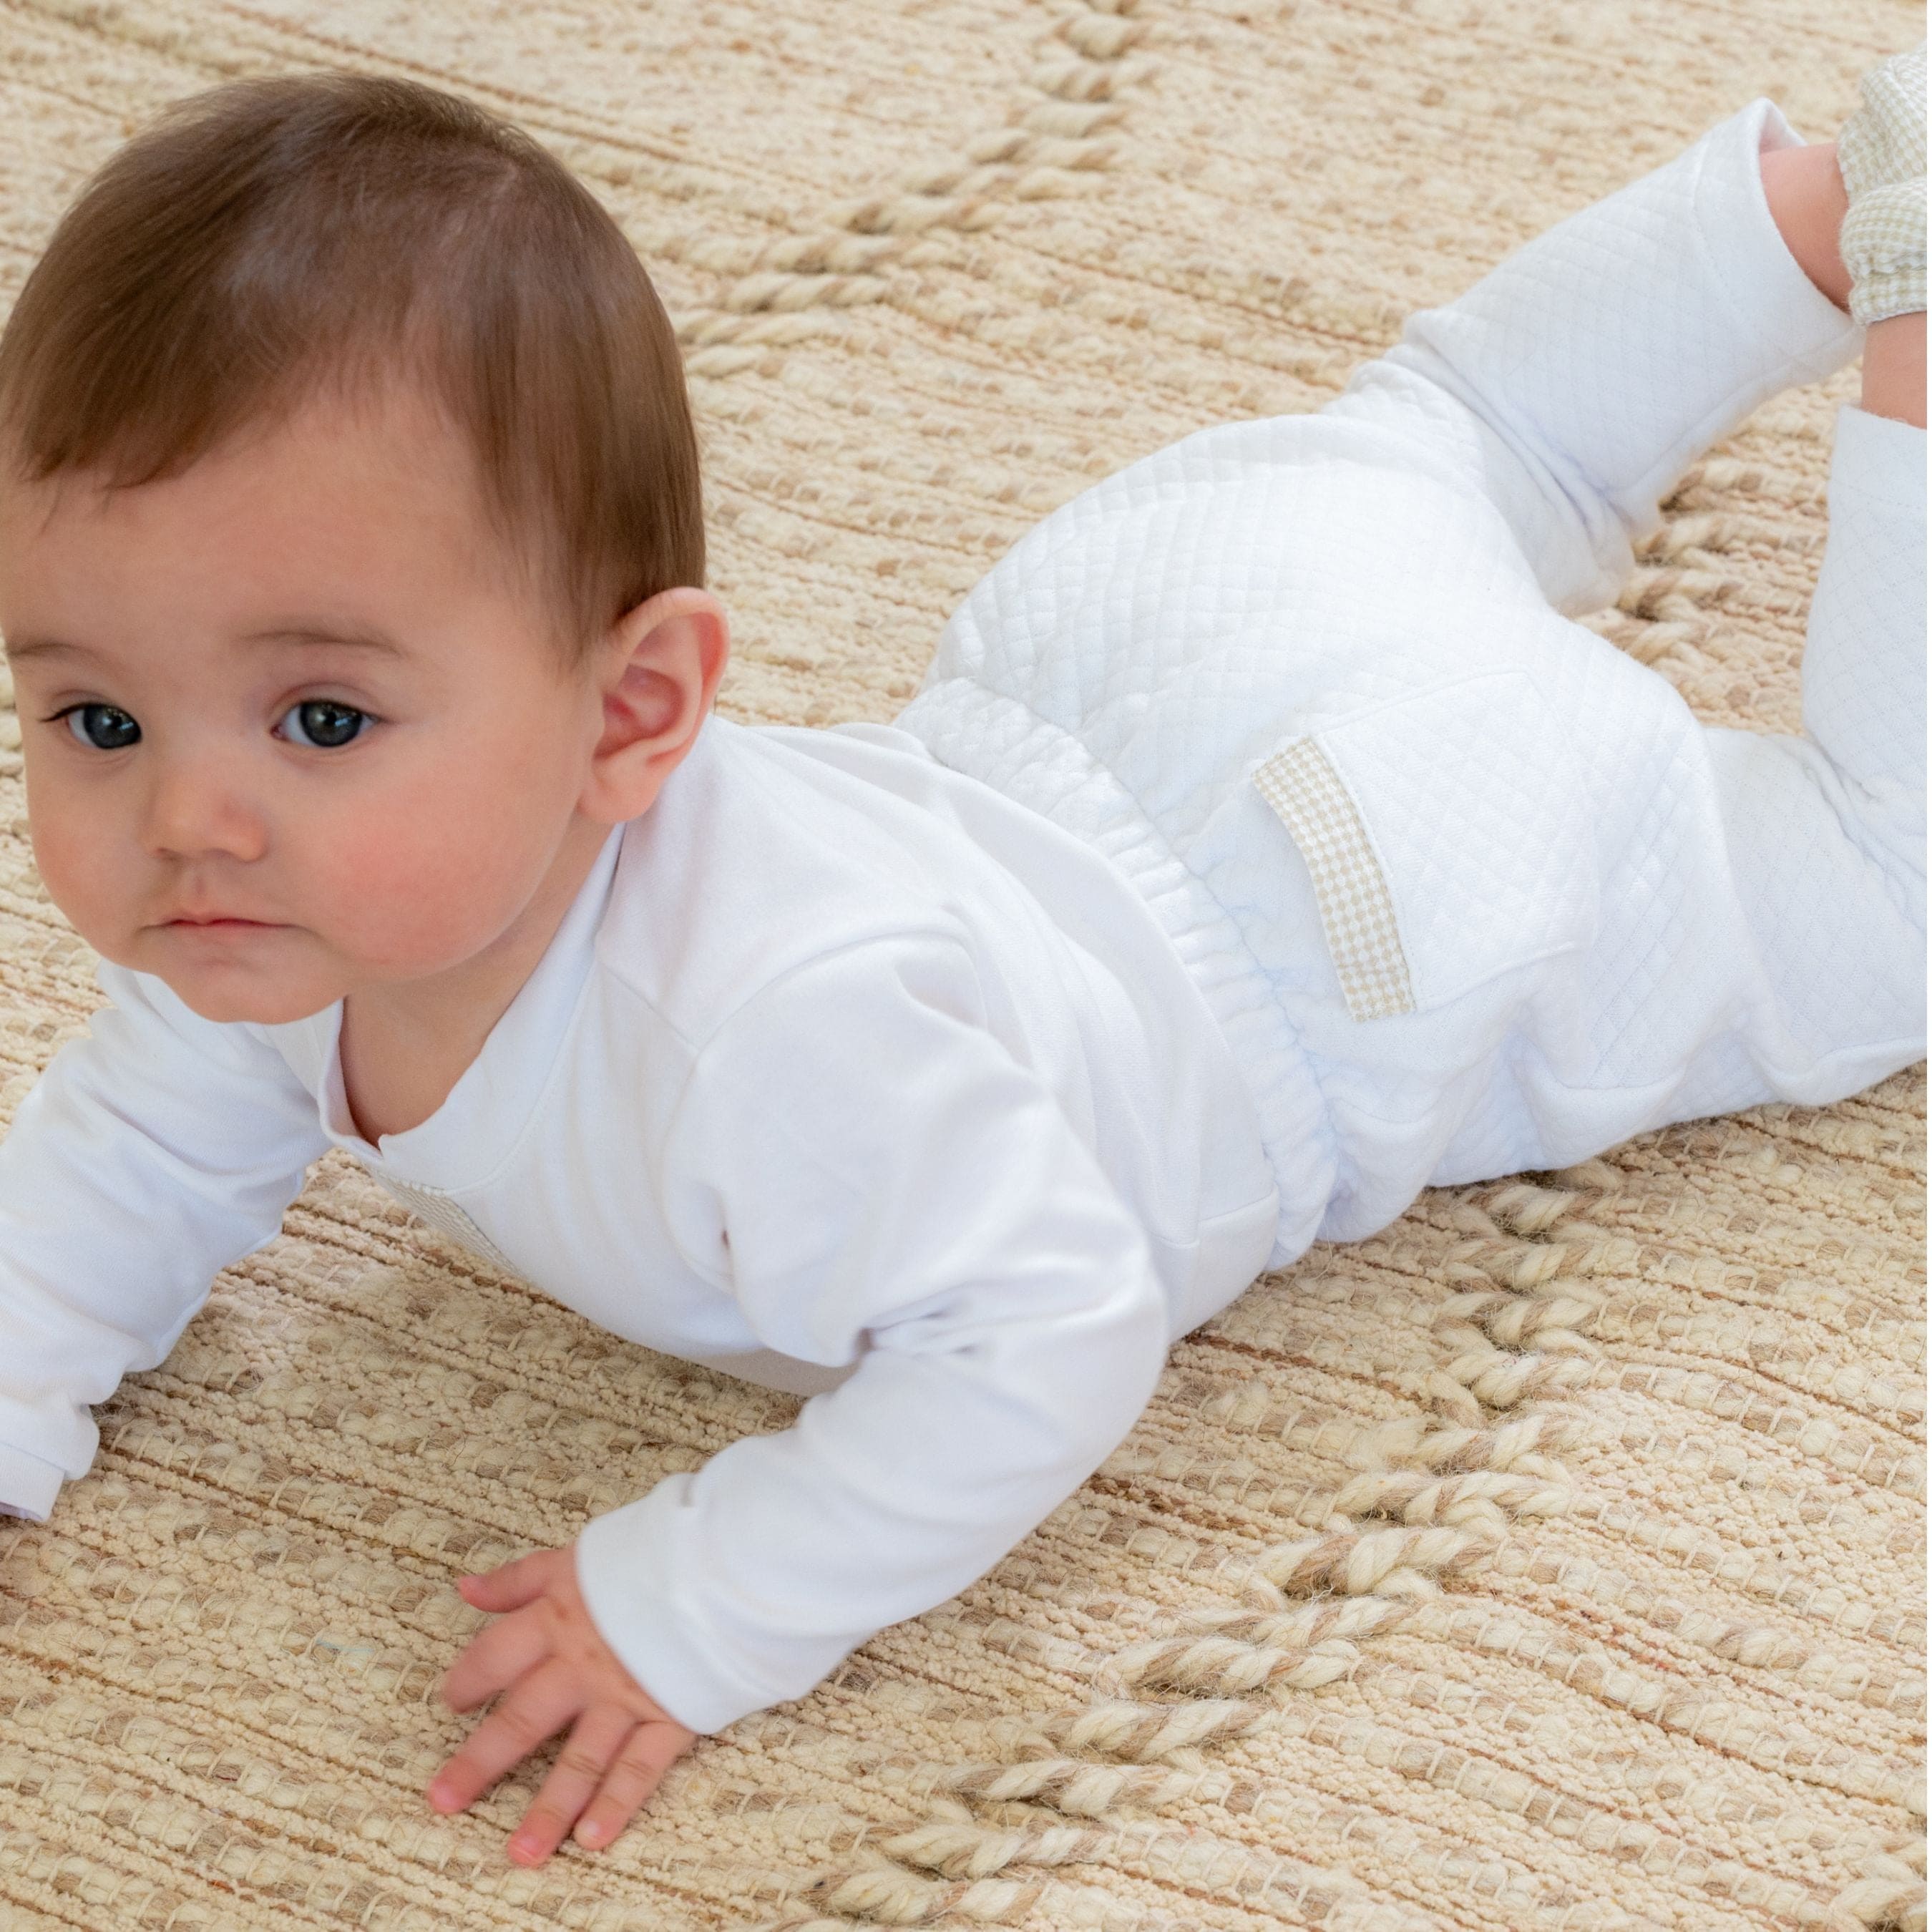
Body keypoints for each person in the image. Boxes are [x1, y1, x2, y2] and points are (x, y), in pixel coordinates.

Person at [0, 49, 1921, 1869]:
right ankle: (1847, 194)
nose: (188, 819)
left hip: (1363, 918)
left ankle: (1912, 312)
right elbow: (124, 1161)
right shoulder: (268, 922)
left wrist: (705, 1598)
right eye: (97, 719)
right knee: (1472, 428)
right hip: (1156, 630)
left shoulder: (772, 1039)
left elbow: (1049, 1328)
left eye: (322, 720)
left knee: (1878, 897)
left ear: (633, 712)